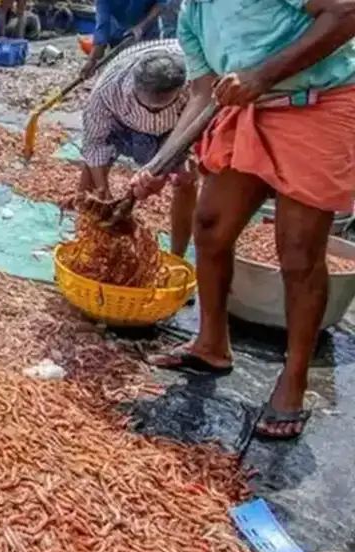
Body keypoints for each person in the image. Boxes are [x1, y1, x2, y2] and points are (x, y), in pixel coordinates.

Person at [129, 0, 355, 440]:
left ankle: (294, 380)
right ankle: (211, 344)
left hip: (316, 102)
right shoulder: (194, 13)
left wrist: (261, 75)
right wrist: (158, 166)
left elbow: (346, 14)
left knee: (298, 252)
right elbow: (202, 93)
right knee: (210, 226)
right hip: (248, 109)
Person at [80, 39, 196, 258]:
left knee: (186, 179)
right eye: (148, 106)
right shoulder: (108, 90)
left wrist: (163, 168)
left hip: (175, 129)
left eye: (160, 106)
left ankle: (176, 256)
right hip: (123, 123)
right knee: (91, 171)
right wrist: (103, 191)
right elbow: (95, 143)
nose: (152, 110)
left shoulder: (196, 79)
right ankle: (85, 241)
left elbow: (199, 127)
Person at [80, 0, 170, 78]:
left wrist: (142, 26)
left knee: (150, 72)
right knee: (120, 72)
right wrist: (92, 59)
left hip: (148, 31)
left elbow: (161, 3)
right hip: (119, 34)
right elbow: (102, 24)